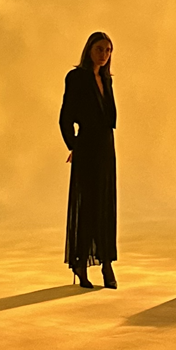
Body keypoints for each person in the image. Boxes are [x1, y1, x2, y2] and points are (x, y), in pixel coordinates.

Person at [59, 31, 118, 289]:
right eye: (99, 49)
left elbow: (107, 118)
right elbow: (65, 117)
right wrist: (75, 146)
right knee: (87, 206)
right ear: (89, 50)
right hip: (88, 147)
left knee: (105, 205)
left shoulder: (107, 79)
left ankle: (106, 263)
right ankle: (81, 262)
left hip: (106, 149)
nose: (103, 55)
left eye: (107, 50)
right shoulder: (76, 77)